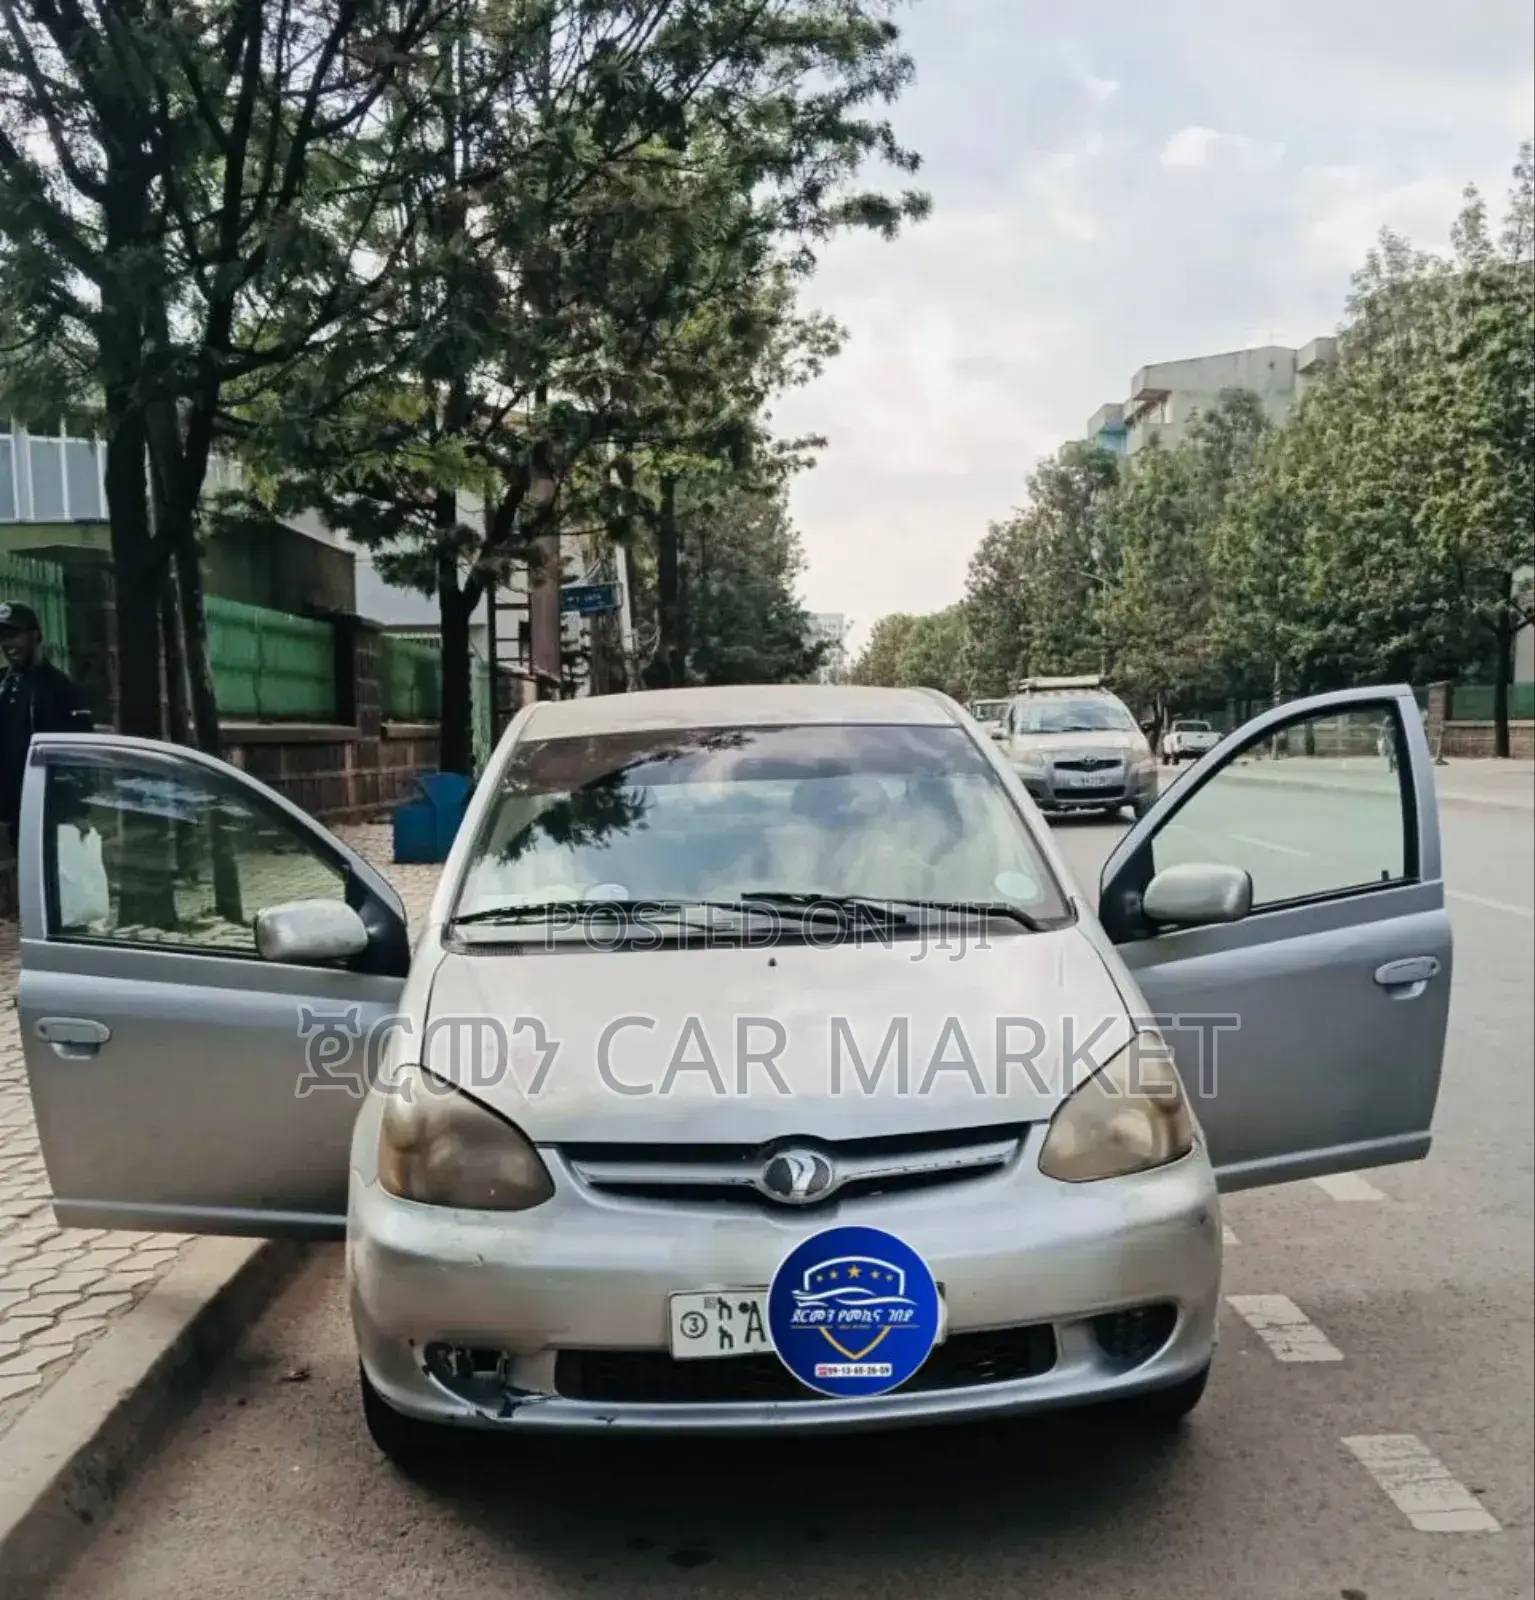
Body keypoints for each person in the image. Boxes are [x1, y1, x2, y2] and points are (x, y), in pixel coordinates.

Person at [0, 601, 94, 853]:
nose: (8, 645)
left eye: (14, 636)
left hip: (46, 813)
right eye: (3, 638)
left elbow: (82, 755)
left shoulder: (61, 688)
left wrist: (77, 810)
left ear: (35, 636)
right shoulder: (3, 685)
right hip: (6, 814)